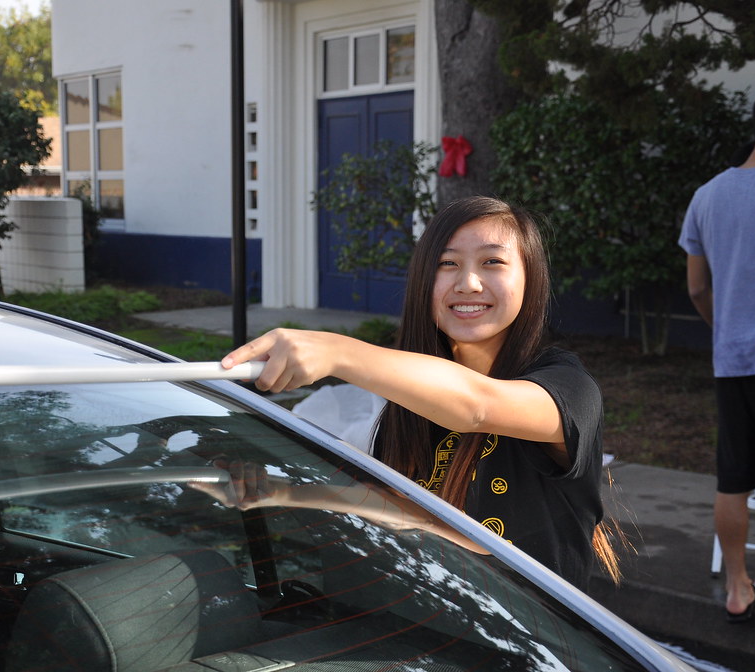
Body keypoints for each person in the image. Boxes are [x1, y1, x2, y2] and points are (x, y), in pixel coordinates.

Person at [216, 196, 618, 592]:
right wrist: (283, 493)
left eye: (492, 262)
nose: (468, 283)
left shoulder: (568, 388)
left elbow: (477, 405)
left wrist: (338, 352)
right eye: (448, 264)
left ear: (530, 280)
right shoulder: (409, 402)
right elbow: (407, 511)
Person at [679, 88, 755, 624]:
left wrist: (726, 331)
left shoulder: (707, 195)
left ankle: (737, 588)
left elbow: (695, 288)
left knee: (734, 478)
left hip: (733, 360)